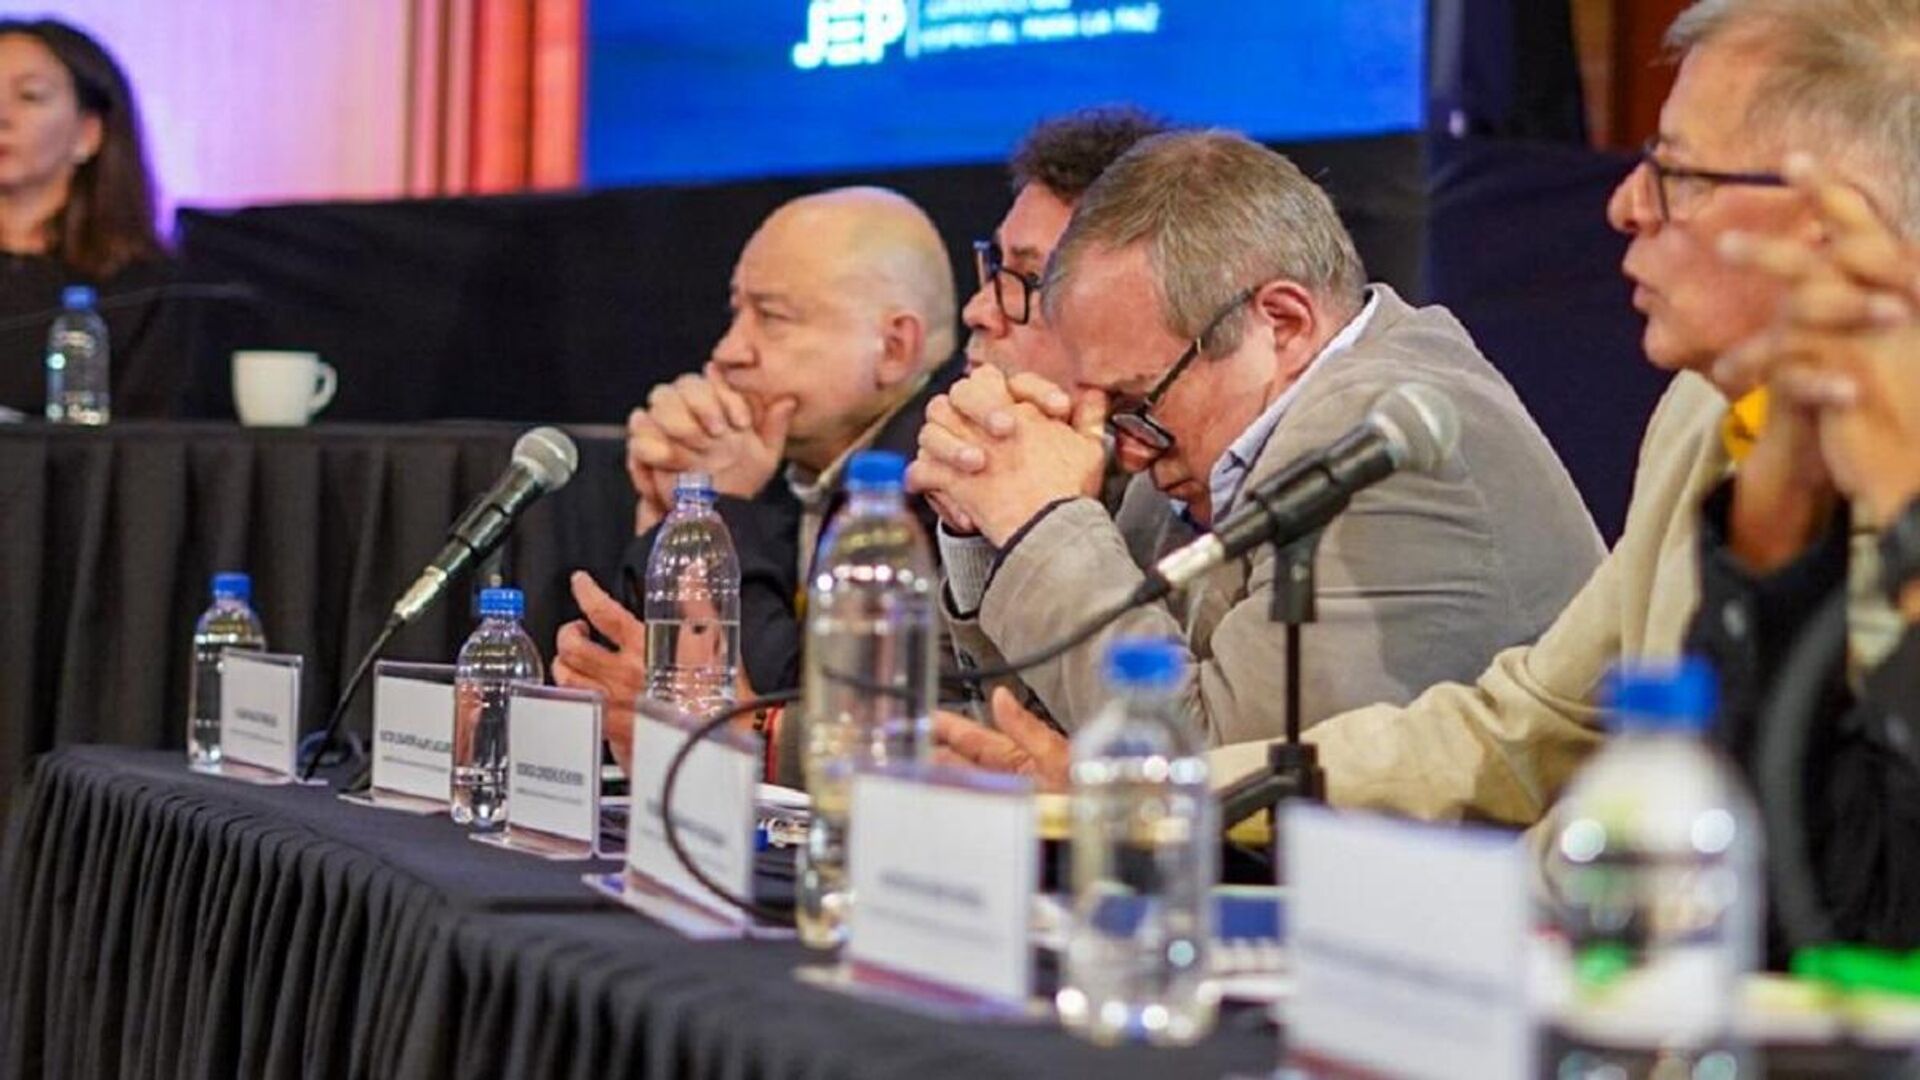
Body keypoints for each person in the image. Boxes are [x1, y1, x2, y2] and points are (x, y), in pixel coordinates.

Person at [934, 0, 1920, 832]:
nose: (1624, 205)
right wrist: (1161, 793)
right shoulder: (1705, 414)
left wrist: (1151, 779)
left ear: (1834, 217)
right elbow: (1526, 727)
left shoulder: (1389, 427)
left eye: (1674, 171)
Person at [913, 129, 1603, 750]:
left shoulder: (1381, 438)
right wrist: (982, 518)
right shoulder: (1186, 460)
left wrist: (1041, 524)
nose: (1125, 451)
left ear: (1282, 322)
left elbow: (1226, 768)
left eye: (1134, 401)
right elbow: (1057, 721)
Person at [552, 186, 960, 775]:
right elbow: (636, 700)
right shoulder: (780, 464)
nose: (727, 351)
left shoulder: (942, 489)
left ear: (894, 348)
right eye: (736, 312)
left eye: (771, 317)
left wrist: (723, 512)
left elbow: (798, 719)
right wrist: (667, 514)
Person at [1689, 158, 1920, 954]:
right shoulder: (1725, 415)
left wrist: (1906, 503)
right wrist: (1778, 528)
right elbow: (1823, 911)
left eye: (1677, 173)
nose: (1622, 205)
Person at [0, 18, 186, 418]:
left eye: (29, 96)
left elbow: (149, 450)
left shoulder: (143, 285)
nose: (2, 116)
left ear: (88, 134)